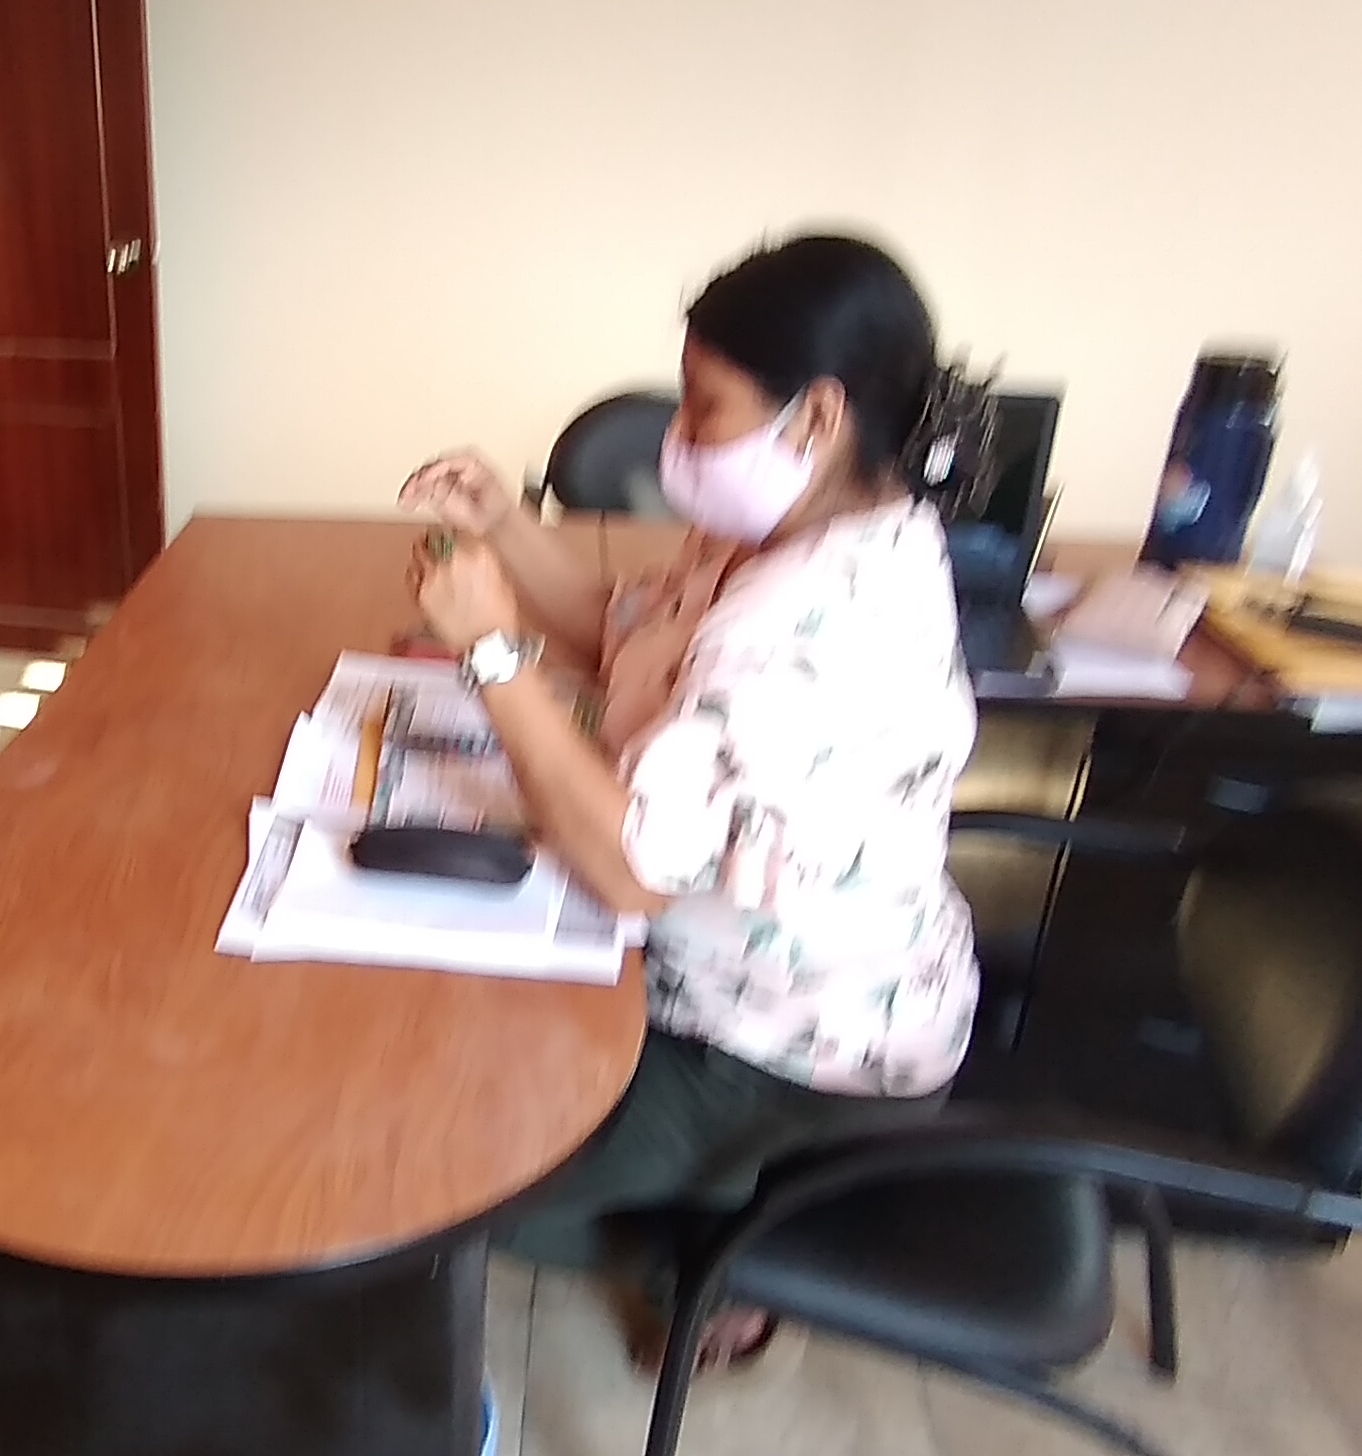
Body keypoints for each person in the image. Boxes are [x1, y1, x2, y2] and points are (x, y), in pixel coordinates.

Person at [400, 234, 987, 1367]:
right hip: (764, 984)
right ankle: (701, 1213)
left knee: (453, 1174)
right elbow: (629, 631)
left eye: (704, 406)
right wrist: (505, 527)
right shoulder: (805, 529)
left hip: (789, 1058)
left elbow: (631, 869)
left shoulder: (814, 619)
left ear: (817, 418)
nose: (678, 435)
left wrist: (491, 653)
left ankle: (708, 1246)